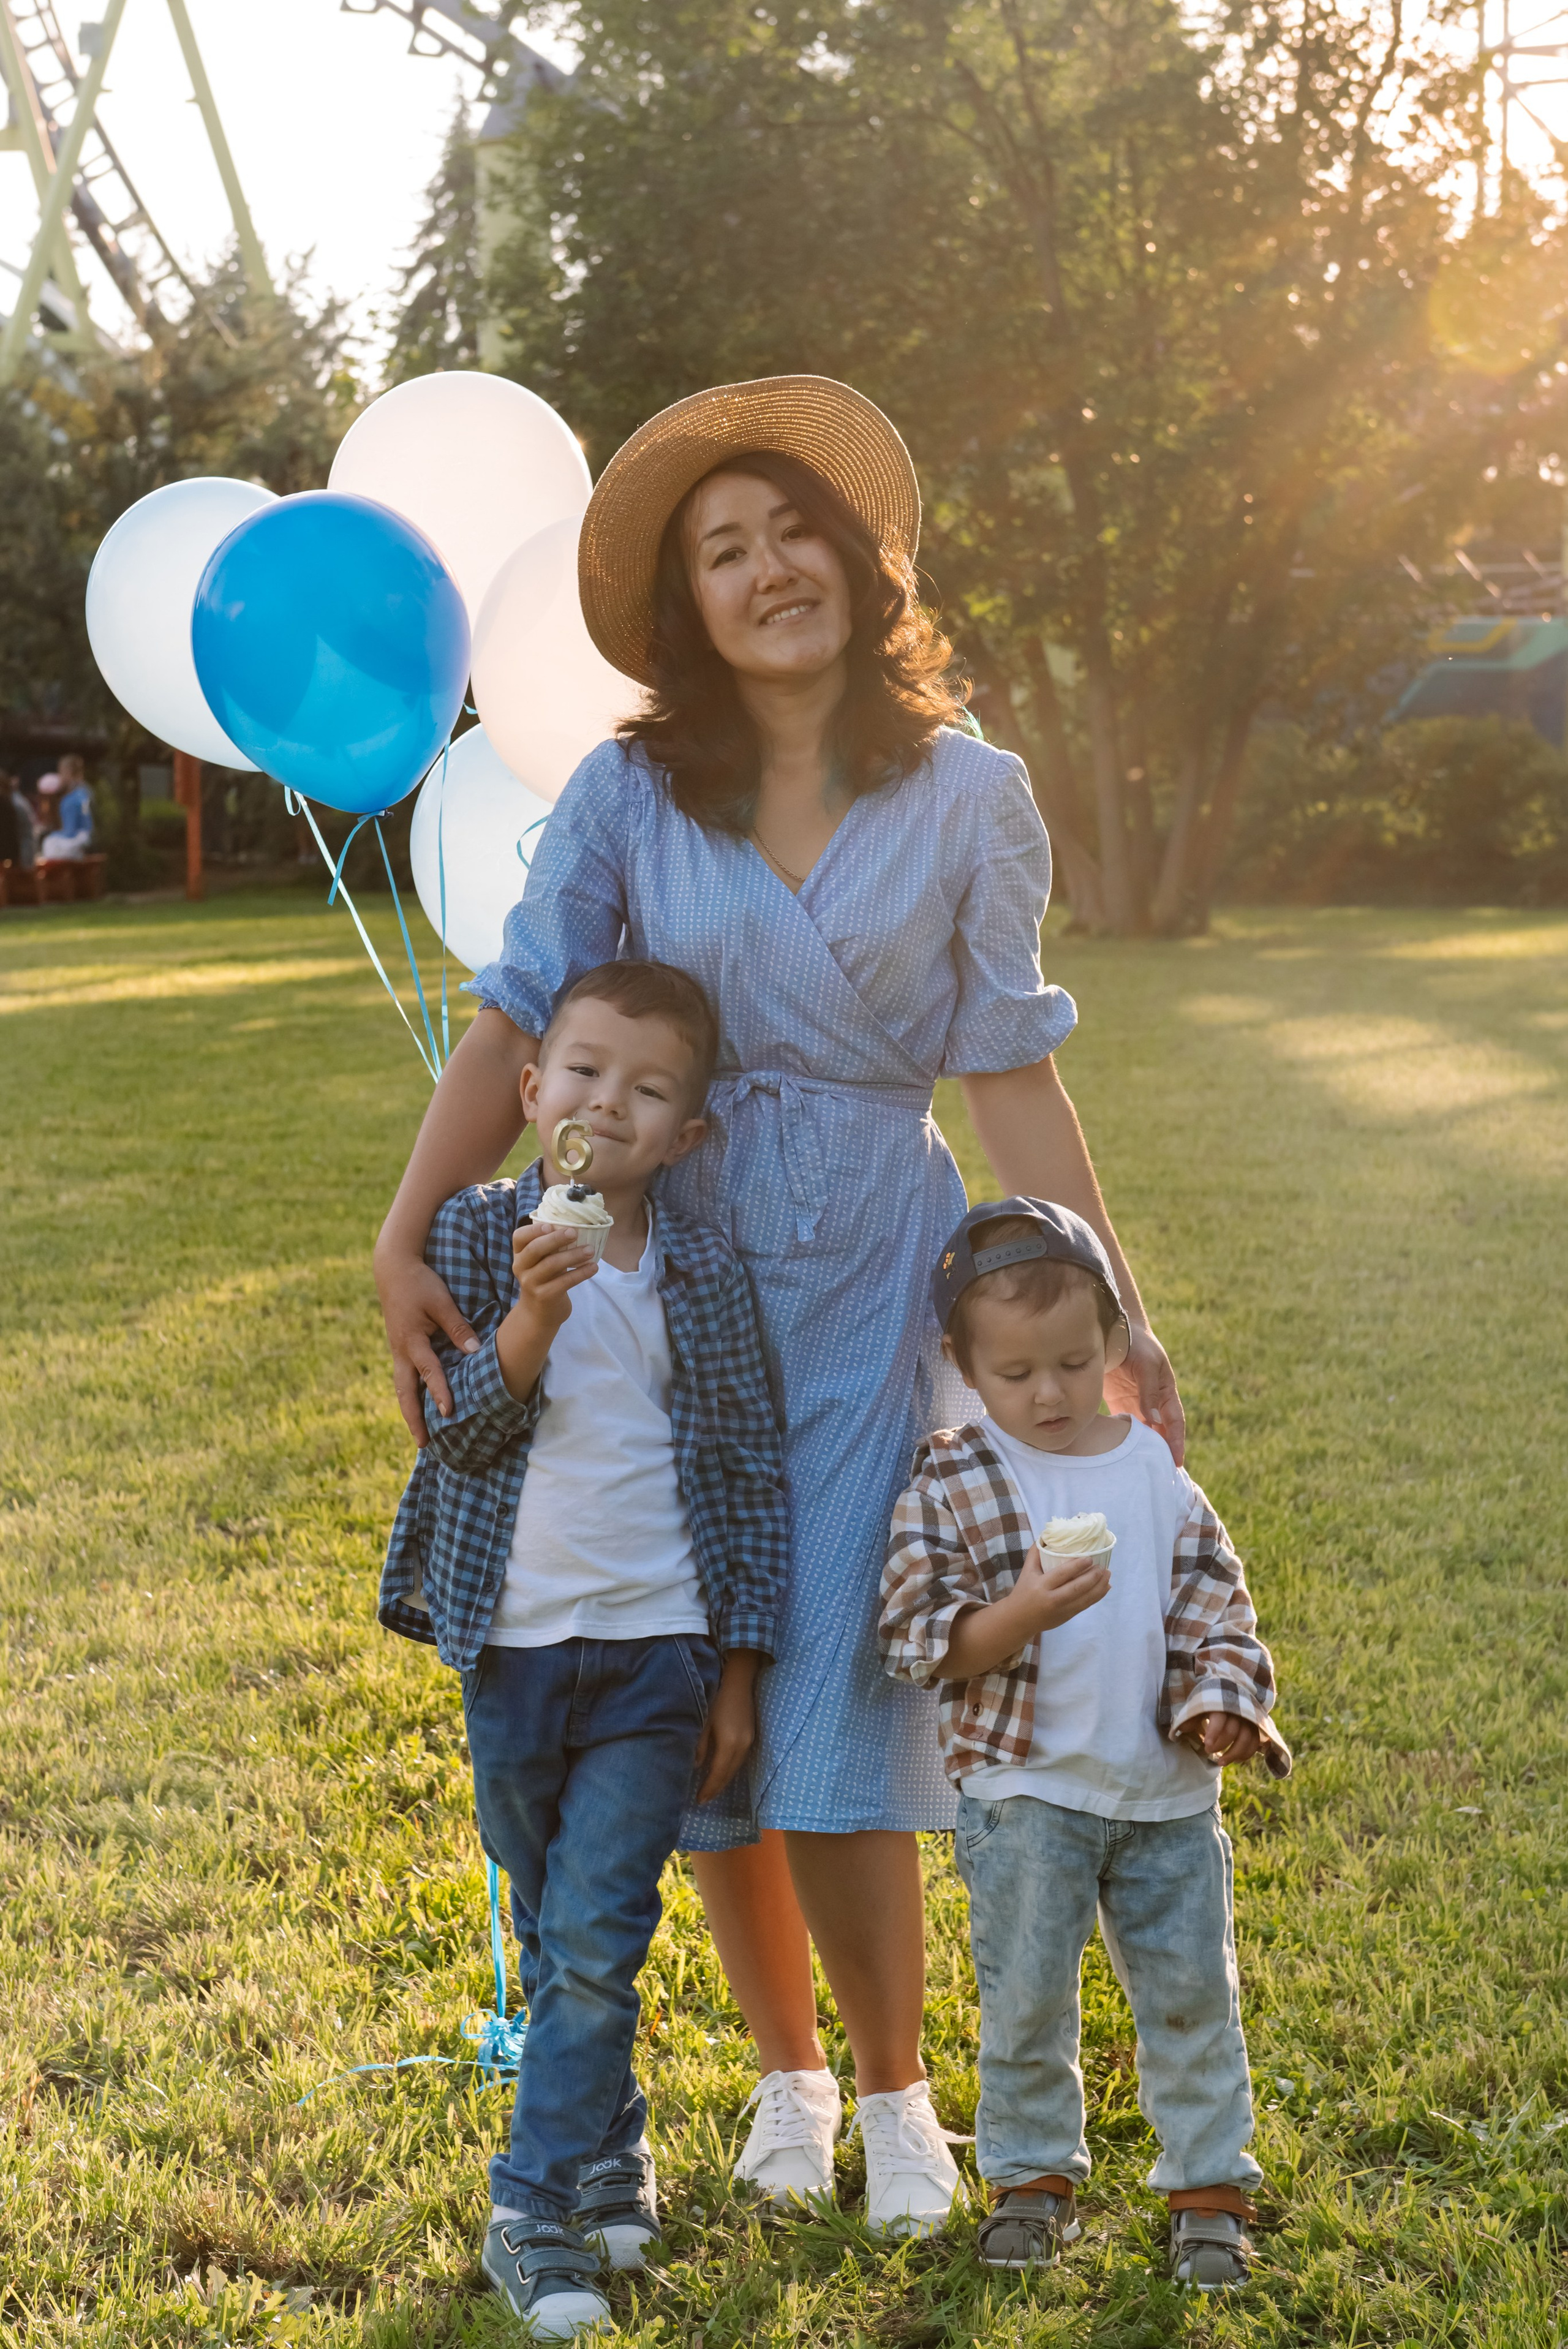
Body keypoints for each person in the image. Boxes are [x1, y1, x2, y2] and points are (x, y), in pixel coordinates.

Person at [374, 374, 1186, 2241]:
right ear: (689, 605)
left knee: (836, 1670)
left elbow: (1009, 1071)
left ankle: (900, 2099)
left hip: (877, 1280)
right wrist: (407, 1227)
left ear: (859, 553)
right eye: (720, 551)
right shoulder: (630, 792)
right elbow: (516, 1020)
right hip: (674, 1284)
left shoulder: (973, 792)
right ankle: (785, 2077)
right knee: (699, 1676)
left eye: (791, 530)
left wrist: (1113, 1309)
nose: (764, 570)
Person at [379, 957, 788, 2340]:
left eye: (650, 1089)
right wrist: (533, 1319)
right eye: (586, 1071)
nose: (609, 1104)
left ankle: (531, 2207)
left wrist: (735, 1666)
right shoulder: (477, 1236)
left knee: (602, 1937)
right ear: (530, 1088)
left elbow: (740, 1476)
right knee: (558, 1929)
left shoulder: (704, 1272)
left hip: (655, 1653)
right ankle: (611, 2145)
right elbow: (458, 1439)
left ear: (685, 1135)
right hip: (513, 1649)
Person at [880, 1200, 1291, 2292]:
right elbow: (917, 1638)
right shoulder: (953, 1478)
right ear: (962, 1365)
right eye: (1014, 1373)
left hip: (1164, 1800)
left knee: (1193, 1995)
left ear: (1115, 1340)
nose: (1049, 1393)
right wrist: (1022, 1611)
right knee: (1024, 1998)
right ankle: (1031, 2181)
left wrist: (1219, 1703)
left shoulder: (1155, 1473)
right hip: (1027, 1795)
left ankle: (1208, 2191)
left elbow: (1218, 1611)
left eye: (1072, 1360)